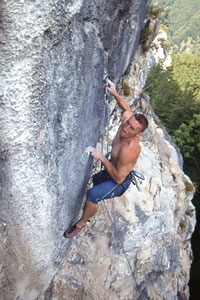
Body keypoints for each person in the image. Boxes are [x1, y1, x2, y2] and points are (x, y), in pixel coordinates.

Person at [64, 79, 148, 238]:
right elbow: (126, 109)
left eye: (132, 128)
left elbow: (117, 178)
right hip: (113, 170)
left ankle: (81, 224)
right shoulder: (127, 123)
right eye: (128, 123)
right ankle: (90, 211)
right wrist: (114, 92)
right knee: (95, 181)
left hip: (119, 181)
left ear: (139, 134)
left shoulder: (130, 150)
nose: (125, 127)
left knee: (93, 194)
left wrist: (102, 158)